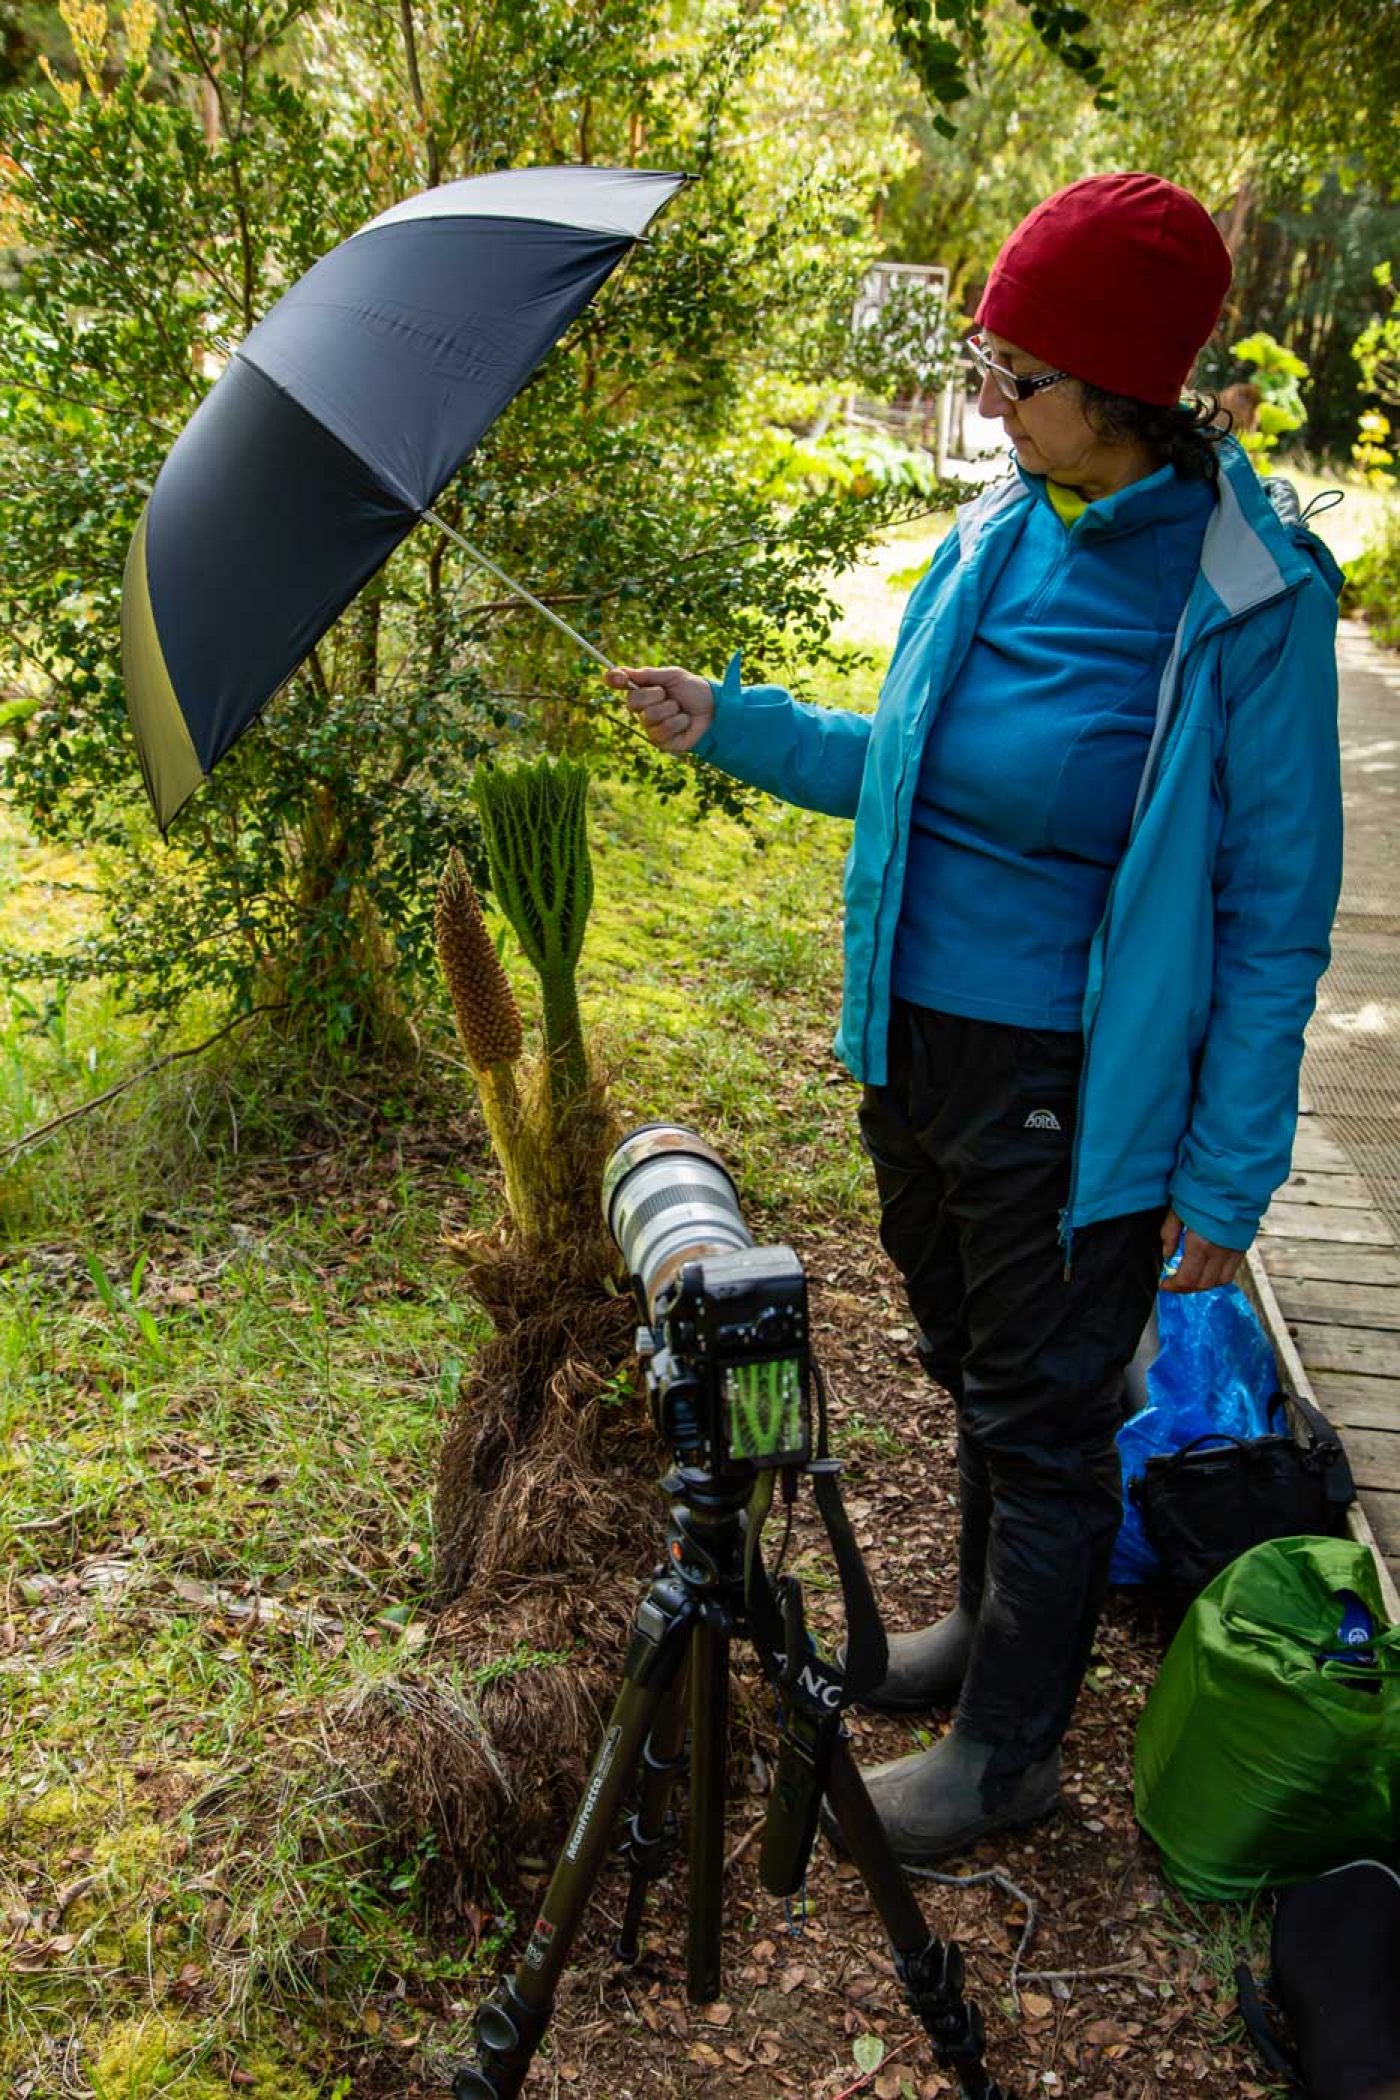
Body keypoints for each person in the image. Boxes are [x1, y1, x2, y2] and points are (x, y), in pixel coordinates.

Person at [604, 172, 1343, 1865]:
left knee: (1047, 1405)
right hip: (918, 1042)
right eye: (986, 361)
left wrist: (1226, 1183)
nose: (990, 400)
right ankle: (984, 1638)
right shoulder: (1006, 524)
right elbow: (910, 761)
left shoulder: (1244, 601)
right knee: (971, 1361)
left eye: (1022, 376)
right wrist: (735, 725)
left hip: (1069, 1076)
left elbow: (1273, 916)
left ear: (1129, 397)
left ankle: (1010, 1750)